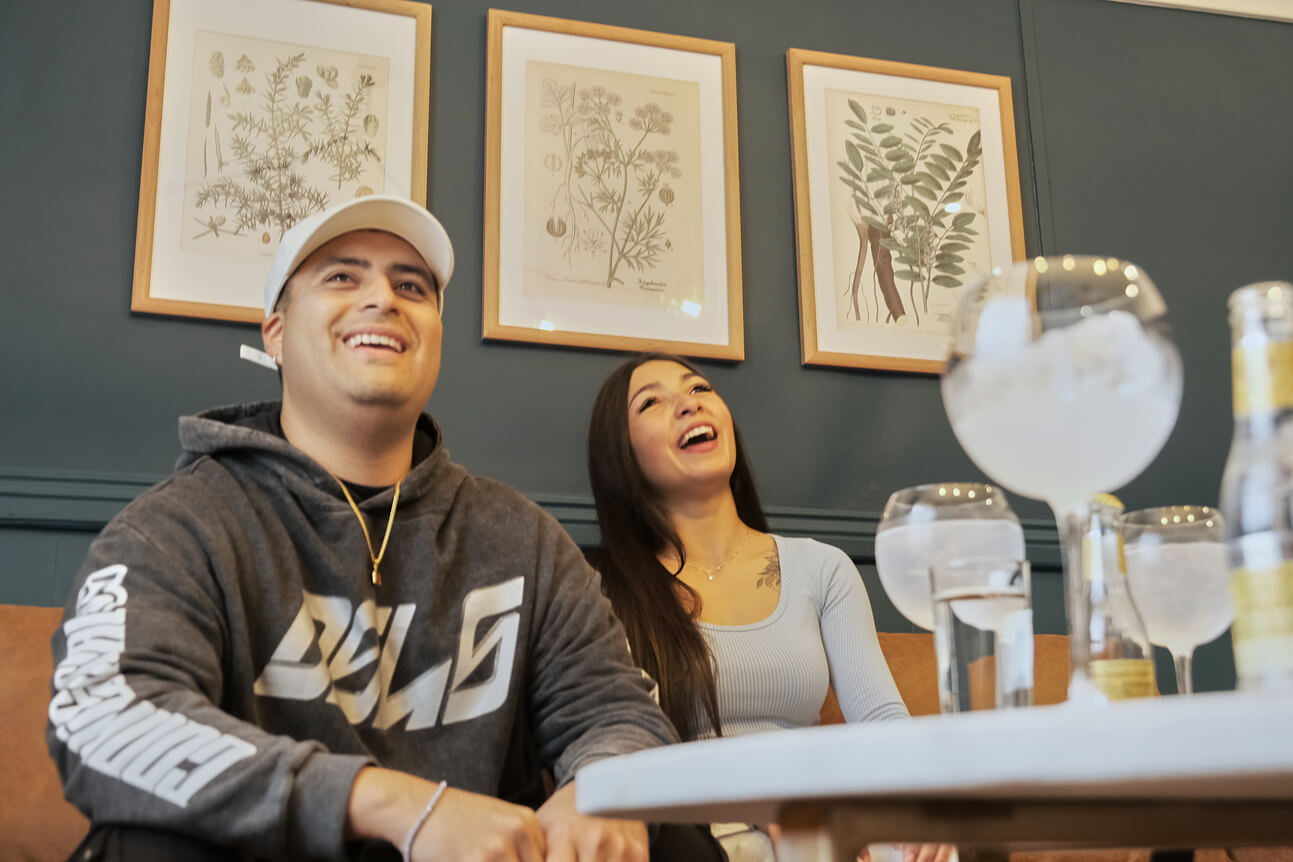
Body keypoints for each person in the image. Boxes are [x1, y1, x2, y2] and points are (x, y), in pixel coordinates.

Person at [47, 197, 722, 862]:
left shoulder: (525, 540)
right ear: (275, 333)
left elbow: (618, 711)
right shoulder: (177, 527)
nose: (383, 299)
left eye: (412, 287)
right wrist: (394, 806)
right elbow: (105, 717)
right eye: (342, 276)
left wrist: (600, 789)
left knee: (668, 836)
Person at [587, 353, 944, 862]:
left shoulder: (822, 568)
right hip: (695, 833)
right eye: (652, 403)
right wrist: (762, 801)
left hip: (817, 820)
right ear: (620, 454)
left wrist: (926, 801)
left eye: (699, 389)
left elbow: (881, 719)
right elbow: (618, 753)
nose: (689, 405)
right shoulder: (600, 591)